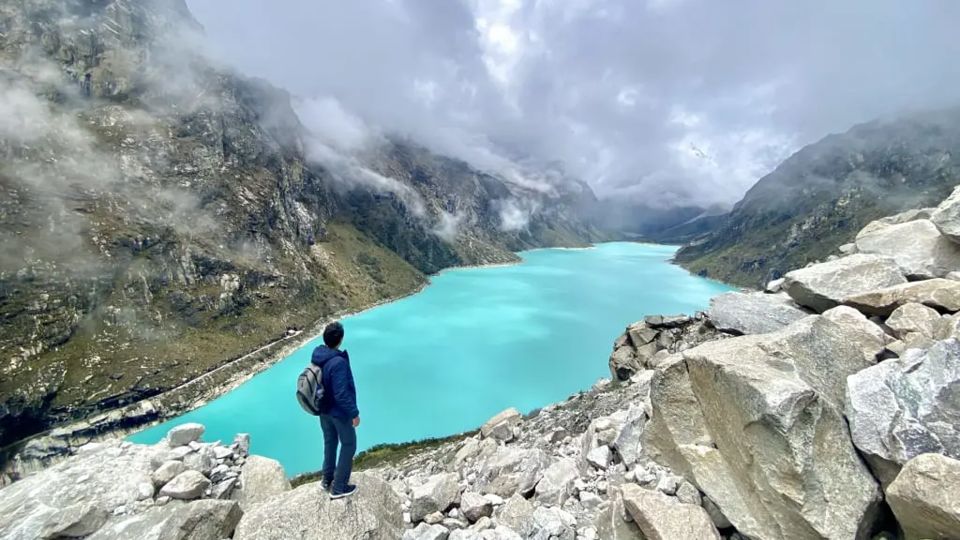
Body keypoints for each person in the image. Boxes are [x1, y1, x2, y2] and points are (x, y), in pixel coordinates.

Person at [311, 321, 360, 499]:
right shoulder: (338, 362)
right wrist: (354, 413)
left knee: (330, 443)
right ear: (340, 339)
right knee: (349, 444)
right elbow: (341, 393)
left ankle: (326, 480)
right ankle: (339, 487)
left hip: (323, 410)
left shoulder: (318, 356)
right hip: (338, 413)